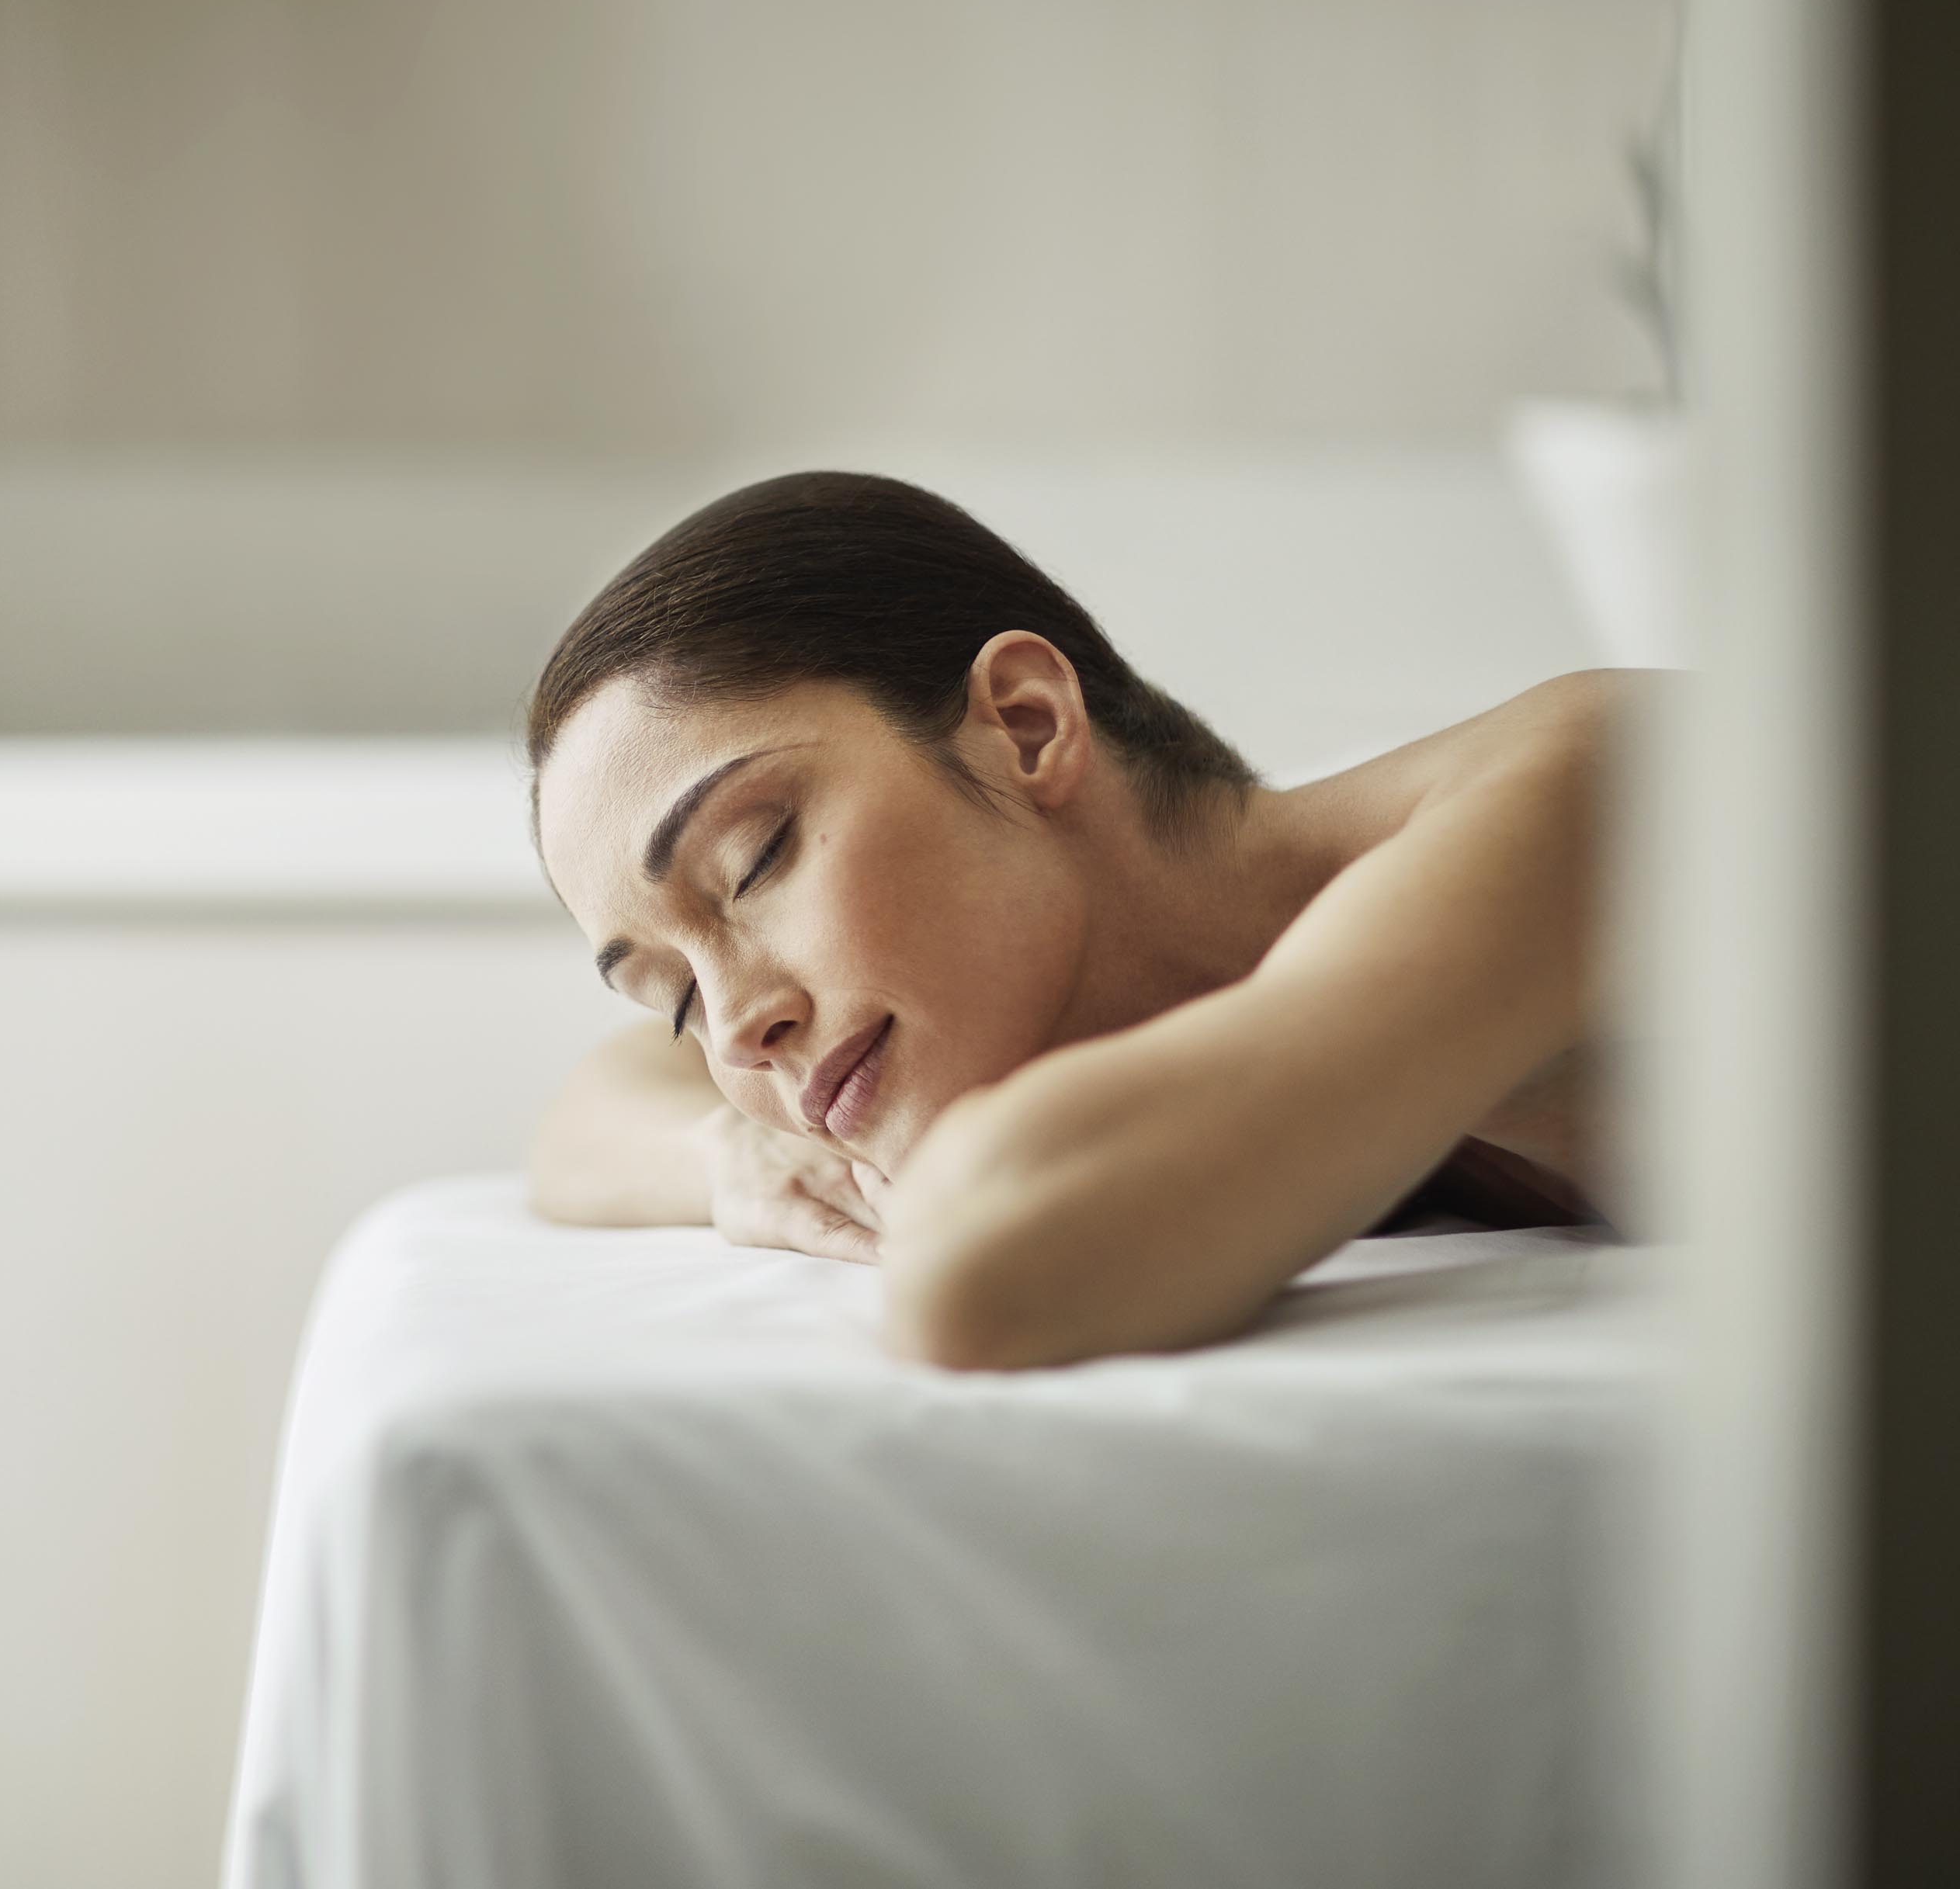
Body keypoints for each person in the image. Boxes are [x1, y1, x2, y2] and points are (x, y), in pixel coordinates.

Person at [526, 470, 1618, 1372]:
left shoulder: (1591, 778)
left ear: (1025, 724)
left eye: (754, 859)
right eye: (675, 996)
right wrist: (735, 1159)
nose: (733, 1030)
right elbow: (589, 1112)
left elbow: (982, 1263)